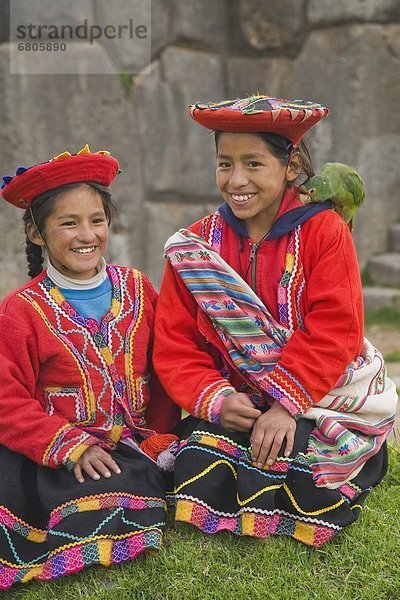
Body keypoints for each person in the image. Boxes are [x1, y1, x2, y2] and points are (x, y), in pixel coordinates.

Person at [153, 95, 398, 547]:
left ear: (290, 167)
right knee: (197, 459)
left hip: (319, 393)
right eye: (225, 164)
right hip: (238, 400)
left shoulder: (323, 232)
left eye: (253, 164)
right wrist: (217, 401)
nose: (237, 180)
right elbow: (175, 343)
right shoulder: (195, 248)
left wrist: (286, 404)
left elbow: (336, 327)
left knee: (299, 464)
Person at [0, 145, 180, 589]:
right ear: (37, 234)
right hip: (65, 455)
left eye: (97, 220)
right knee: (91, 499)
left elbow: (163, 371)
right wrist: (69, 446)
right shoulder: (21, 312)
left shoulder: (138, 288)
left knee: (209, 462)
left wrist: (162, 438)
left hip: (138, 443)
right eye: (68, 223)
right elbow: (6, 399)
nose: (87, 234)